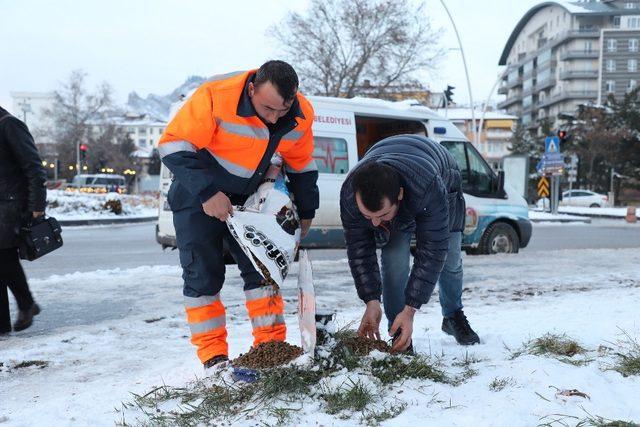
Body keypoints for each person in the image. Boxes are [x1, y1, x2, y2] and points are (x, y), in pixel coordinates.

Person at [158, 61, 318, 368]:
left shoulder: (301, 113)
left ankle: (270, 350)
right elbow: (172, 146)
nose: (273, 118)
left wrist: (307, 211)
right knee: (202, 277)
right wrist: (207, 193)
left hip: (253, 201)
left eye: (281, 111)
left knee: (264, 271)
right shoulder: (216, 95)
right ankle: (214, 359)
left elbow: (301, 164)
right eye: (267, 108)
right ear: (251, 89)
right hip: (198, 195)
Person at [340, 134, 480, 353]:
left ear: (400, 195)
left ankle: (453, 315)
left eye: (383, 214)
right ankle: (398, 332)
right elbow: (359, 251)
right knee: (394, 260)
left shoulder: (429, 188)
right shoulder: (350, 195)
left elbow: (432, 251)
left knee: (450, 259)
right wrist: (371, 300)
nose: (375, 223)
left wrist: (411, 309)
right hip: (393, 161)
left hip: (441, 175)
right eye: (368, 216)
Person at [0, 106, 46, 334]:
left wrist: (37, 206)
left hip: (11, 205)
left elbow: (34, 167)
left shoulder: (9, 124)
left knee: (4, 257)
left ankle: (27, 304)